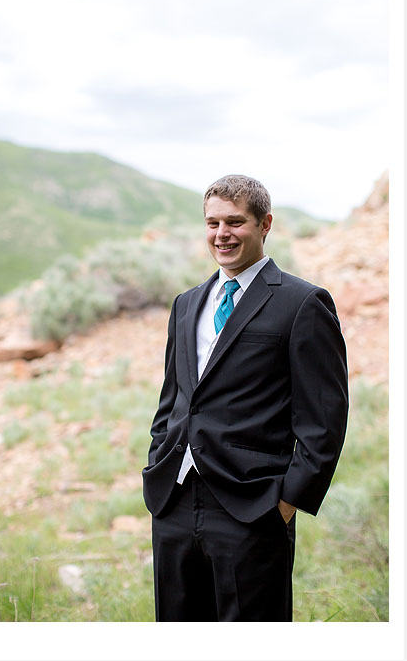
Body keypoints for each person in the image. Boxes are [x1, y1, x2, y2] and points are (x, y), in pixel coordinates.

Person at [141, 174, 348, 621]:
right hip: (174, 502)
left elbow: (324, 419)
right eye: (213, 223)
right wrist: (158, 459)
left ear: (265, 224)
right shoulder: (186, 303)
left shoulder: (303, 302)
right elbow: (173, 398)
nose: (222, 234)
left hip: (254, 508)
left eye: (236, 222)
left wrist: (287, 503)